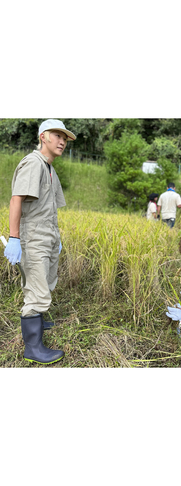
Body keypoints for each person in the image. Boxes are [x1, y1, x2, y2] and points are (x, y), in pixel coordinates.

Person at [4, 119, 76, 365]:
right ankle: (32, 348)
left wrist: (56, 237)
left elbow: (49, 207)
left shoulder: (49, 167)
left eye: (65, 138)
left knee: (44, 279)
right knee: (36, 289)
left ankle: (38, 320)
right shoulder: (33, 163)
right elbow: (16, 200)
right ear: (43, 136)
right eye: (58, 135)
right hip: (33, 236)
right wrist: (15, 238)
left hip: (47, 235)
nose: (62, 141)